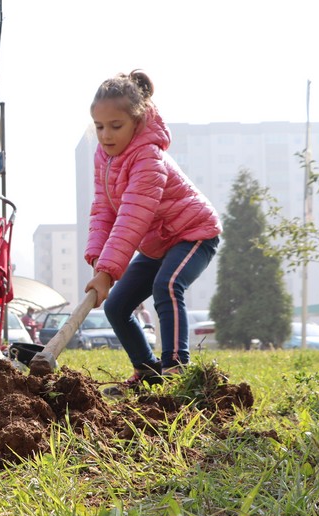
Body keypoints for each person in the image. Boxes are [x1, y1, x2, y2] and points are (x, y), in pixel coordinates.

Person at [83, 70, 222, 395]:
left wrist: (109, 270)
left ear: (138, 121)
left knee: (169, 284)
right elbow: (103, 210)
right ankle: (148, 373)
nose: (106, 135)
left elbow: (132, 218)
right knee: (117, 306)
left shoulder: (149, 158)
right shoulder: (103, 159)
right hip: (157, 243)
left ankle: (175, 371)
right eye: (99, 126)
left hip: (193, 233)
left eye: (116, 126)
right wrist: (99, 264)